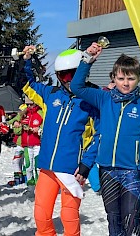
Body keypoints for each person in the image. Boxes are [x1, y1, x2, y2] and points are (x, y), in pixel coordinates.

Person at [70, 45, 140, 236]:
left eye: (130, 78)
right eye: (121, 78)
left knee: (131, 221)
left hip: (132, 173)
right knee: (114, 221)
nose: (126, 83)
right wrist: (88, 59)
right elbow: (76, 87)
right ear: (114, 78)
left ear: (138, 79)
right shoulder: (104, 99)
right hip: (107, 171)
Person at [22, 46, 100, 236]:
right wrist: (26, 60)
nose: (67, 80)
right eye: (62, 76)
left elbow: (100, 135)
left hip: (72, 171)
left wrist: (86, 164)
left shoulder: (92, 100)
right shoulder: (51, 94)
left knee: (69, 216)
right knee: (41, 214)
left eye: (71, 74)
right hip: (48, 166)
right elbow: (28, 83)